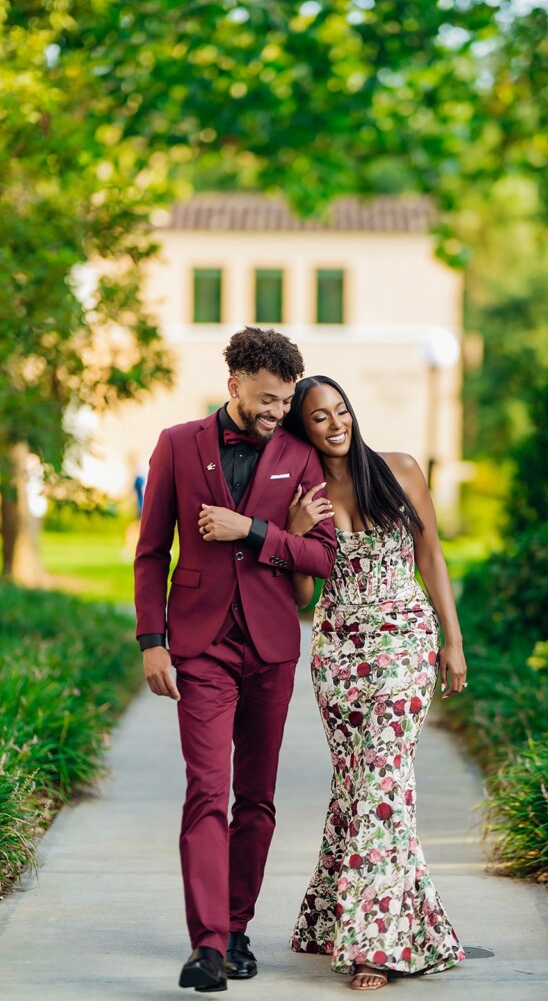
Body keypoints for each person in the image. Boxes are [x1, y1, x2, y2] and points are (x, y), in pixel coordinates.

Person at [134, 329, 337, 993]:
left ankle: (239, 927)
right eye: (267, 399)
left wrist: (254, 530)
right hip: (199, 646)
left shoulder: (302, 458)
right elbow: (149, 552)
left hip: (272, 645)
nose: (278, 411)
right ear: (234, 385)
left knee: (256, 797)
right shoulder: (176, 444)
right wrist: (151, 640)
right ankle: (208, 946)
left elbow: (325, 557)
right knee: (204, 790)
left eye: (285, 402)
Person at [282, 375, 468, 992]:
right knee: (358, 785)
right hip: (337, 653)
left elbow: (431, 555)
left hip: (406, 645)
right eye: (318, 418)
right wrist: (293, 528)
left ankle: (376, 945)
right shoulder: (306, 498)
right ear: (300, 428)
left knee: (385, 783)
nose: (335, 424)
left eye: (340, 411)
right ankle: (335, 916)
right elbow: (305, 597)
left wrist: (453, 639)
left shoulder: (401, 470)